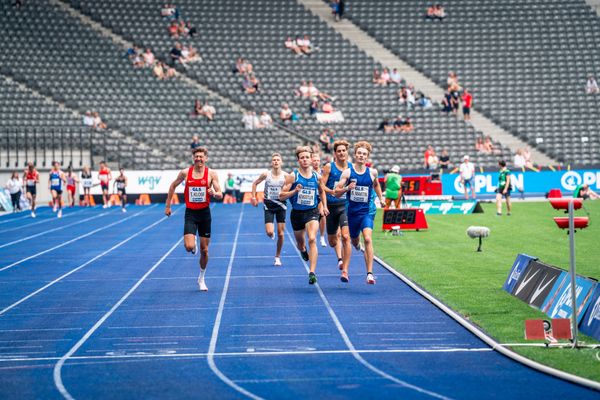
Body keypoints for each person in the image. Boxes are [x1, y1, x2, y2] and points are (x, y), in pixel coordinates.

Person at [165, 146, 223, 292]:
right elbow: (172, 186)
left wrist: (214, 193)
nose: (199, 159)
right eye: (196, 156)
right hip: (190, 213)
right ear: (193, 158)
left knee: (205, 250)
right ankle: (193, 243)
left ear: (206, 158)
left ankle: (201, 278)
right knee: (189, 247)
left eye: (201, 156)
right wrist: (168, 206)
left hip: (204, 214)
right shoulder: (185, 173)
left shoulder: (211, 174)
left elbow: (220, 193)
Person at [335, 141, 384, 285]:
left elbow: (376, 185)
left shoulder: (372, 172)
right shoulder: (348, 173)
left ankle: (369, 274)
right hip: (352, 213)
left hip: (367, 211)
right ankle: (357, 244)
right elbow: (337, 193)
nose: (361, 156)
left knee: (368, 239)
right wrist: (347, 188)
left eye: (364, 154)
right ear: (355, 155)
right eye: (359, 153)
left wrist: (380, 198)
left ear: (367, 157)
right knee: (354, 240)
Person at [279, 146, 328, 285]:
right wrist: (294, 191)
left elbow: (322, 191)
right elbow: (281, 196)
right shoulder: (293, 176)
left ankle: (312, 272)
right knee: (301, 243)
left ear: (311, 159)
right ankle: (303, 250)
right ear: (298, 160)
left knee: (312, 238)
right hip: (297, 214)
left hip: (312, 212)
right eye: (302, 158)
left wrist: (324, 206)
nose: (305, 160)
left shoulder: (317, 176)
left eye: (307, 157)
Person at [320, 140, 353, 281]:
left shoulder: (352, 168)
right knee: (333, 241)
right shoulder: (329, 167)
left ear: (347, 152)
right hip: (331, 207)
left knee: (346, 237)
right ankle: (338, 256)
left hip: (345, 205)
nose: (341, 153)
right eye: (338, 151)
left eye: (343, 150)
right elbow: (320, 185)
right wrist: (332, 192)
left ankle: (345, 270)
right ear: (335, 153)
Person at [251, 153, 288, 266]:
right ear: (272, 162)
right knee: (269, 232)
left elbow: (292, 188)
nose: (276, 162)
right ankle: (271, 234)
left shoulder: (286, 176)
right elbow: (255, 183)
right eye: (274, 160)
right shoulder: (266, 174)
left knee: (281, 234)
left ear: (281, 162)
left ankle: (277, 256)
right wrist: (253, 197)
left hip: (281, 206)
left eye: (278, 160)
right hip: (269, 205)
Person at [312, 152, 328, 248]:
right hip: (311, 197)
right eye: (314, 161)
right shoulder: (308, 171)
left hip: (321, 196)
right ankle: (312, 236)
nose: (316, 162)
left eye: (318, 160)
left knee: (322, 214)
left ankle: (322, 237)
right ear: (311, 162)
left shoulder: (323, 172)